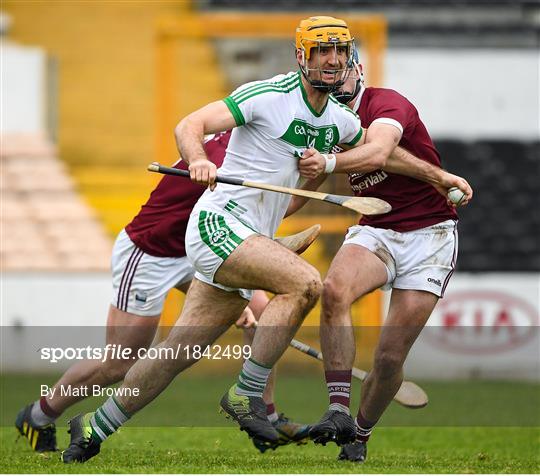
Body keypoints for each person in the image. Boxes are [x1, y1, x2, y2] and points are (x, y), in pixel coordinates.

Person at [15, 131, 315, 454]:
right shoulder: (232, 154)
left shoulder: (247, 143)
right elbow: (272, 210)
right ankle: (37, 415)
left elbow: (268, 208)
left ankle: (265, 417)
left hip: (199, 246)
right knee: (120, 362)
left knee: (258, 308)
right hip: (150, 252)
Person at [302, 53, 473, 462]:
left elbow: (378, 152)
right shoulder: (321, 120)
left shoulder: (387, 103)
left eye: (341, 67)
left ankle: (358, 434)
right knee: (335, 290)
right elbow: (303, 189)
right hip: (376, 230)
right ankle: (339, 410)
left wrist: (326, 160)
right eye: (325, 69)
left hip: (430, 237)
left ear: (358, 71)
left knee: (389, 357)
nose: (335, 75)